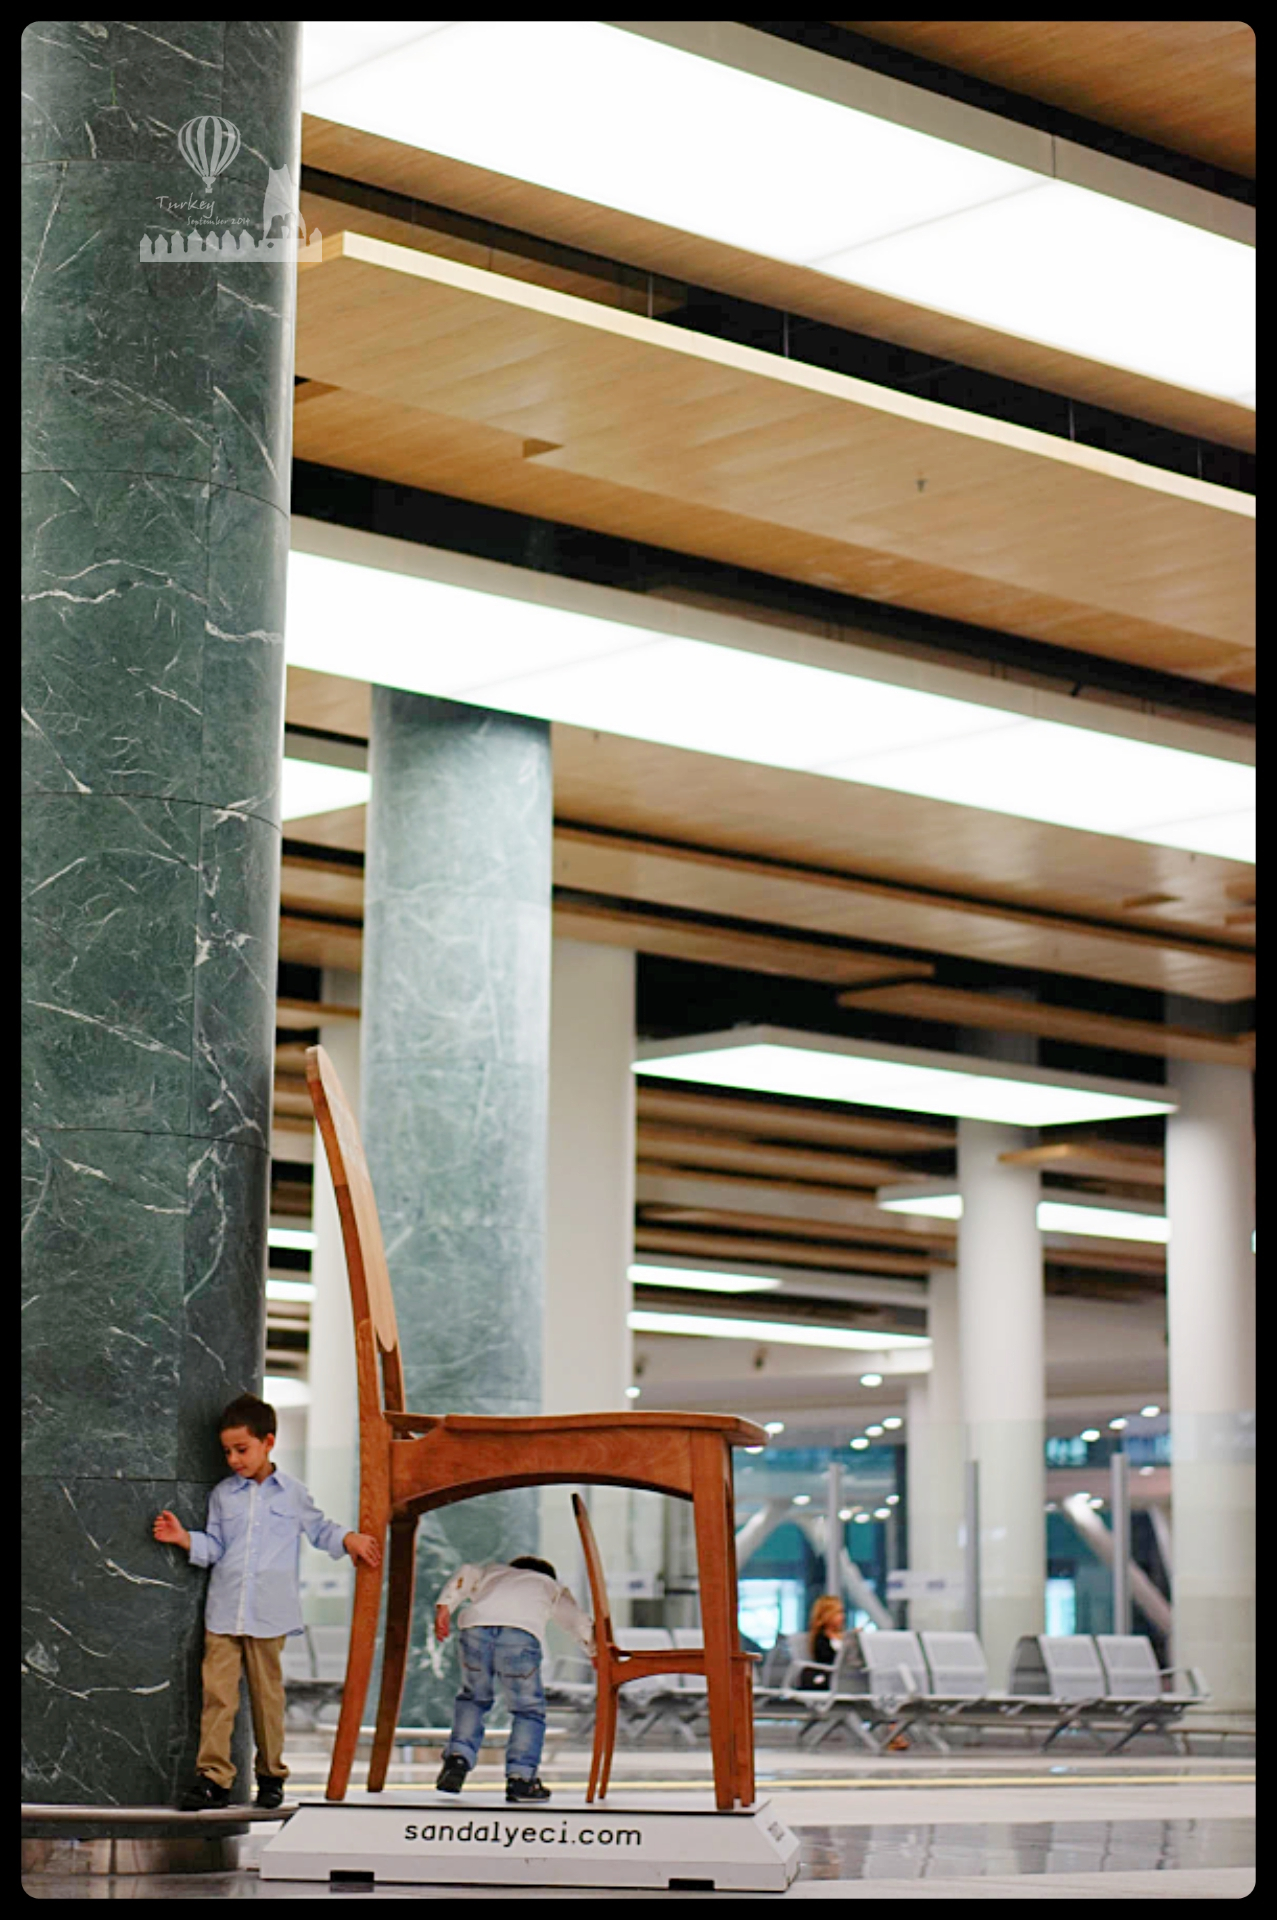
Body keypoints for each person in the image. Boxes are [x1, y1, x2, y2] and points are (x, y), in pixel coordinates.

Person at [152, 1392, 381, 1811]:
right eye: (227, 1452)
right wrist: (184, 1538)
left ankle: (271, 1775)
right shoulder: (223, 1495)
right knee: (218, 1698)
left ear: (268, 1442)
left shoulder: (293, 1494)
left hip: (270, 1615)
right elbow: (216, 1546)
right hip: (224, 1613)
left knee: (267, 1700)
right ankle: (213, 1780)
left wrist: (348, 1539)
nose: (234, 1459)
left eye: (242, 1449)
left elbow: (320, 1529)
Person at [433, 1554, 595, 1803]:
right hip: (520, 1635)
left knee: (473, 1698)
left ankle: (458, 1758)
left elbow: (467, 1571)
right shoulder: (550, 1585)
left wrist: (445, 1605)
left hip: (475, 1629)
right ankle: (521, 1778)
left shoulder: (493, 1571)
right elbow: (577, 1621)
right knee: (527, 1710)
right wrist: (595, 1651)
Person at [796, 1593, 845, 1690]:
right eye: (838, 1613)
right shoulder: (821, 1638)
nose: (842, 1617)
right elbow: (827, 1659)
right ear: (827, 1615)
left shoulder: (845, 1637)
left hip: (846, 1676)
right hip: (830, 1676)